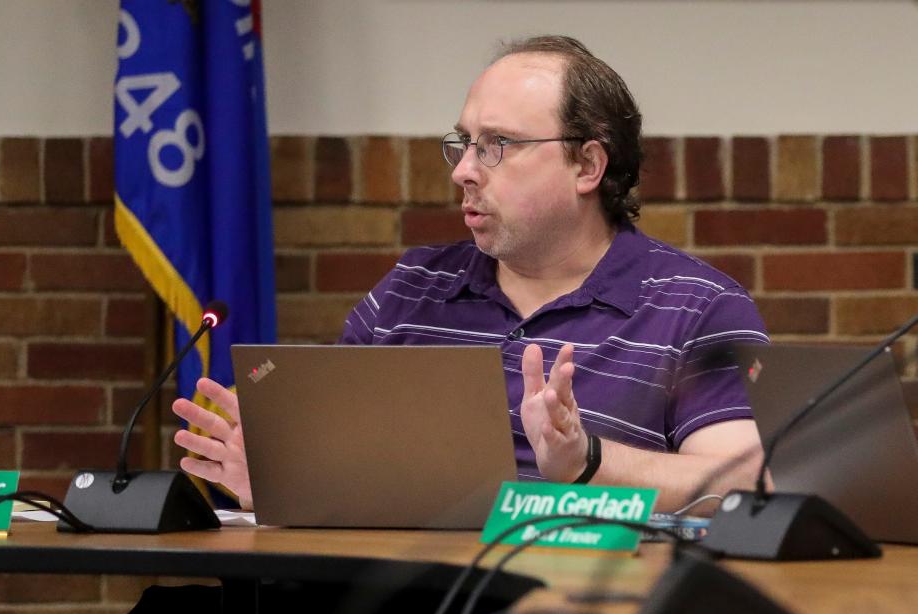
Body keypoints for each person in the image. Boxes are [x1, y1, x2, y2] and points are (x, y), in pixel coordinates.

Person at [173, 35, 768, 515]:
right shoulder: (410, 289)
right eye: (462, 143)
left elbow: (745, 485)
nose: (462, 171)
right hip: (363, 598)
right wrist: (284, 480)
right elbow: (347, 474)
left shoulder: (696, 306)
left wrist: (588, 461)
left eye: (496, 145)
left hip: (553, 611)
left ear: (587, 164)